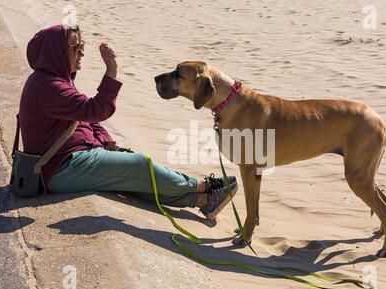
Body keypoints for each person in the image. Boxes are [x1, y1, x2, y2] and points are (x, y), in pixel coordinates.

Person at [18, 24, 237, 219]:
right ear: (56, 52)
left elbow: (84, 118)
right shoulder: (47, 88)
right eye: (75, 48)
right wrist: (112, 70)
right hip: (59, 167)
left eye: (82, 45)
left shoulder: (56, 80)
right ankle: (204, 186)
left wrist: (104, 140)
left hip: (71, 157)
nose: (81, 53)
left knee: (134, 181)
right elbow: (95, 110)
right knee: (140, 165)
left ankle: (203, 201)